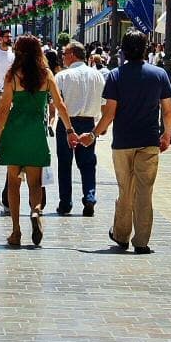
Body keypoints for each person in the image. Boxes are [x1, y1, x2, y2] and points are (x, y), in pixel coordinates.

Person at [79, 30, 171, 254]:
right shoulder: (159, 74)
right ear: (146, 49)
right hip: (149, 141)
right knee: (144, 192)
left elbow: (109, 113)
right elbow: (168, 111)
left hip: (122, 143)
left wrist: (93, 135)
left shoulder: (115, 76)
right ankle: (141, 241)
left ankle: (121, 235)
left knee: (125, 189)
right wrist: (167, 134)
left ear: (122, 50)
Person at [0, 35, 77, 246]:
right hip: (36, 132)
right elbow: (60, 105)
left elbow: (3, 109)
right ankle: (36, 211)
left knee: (13, 182)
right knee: (35, 182)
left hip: (14, 131)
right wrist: (69, 130)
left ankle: (16, 231)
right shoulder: (46, 74)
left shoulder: (13, 75)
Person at [53, 40, 104, 217]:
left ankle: (65, 203)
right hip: (89, 123)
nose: (63, 57)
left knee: (65, 164)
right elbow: (104, 102)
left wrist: (67, 128)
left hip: (67, 123)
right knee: (88, 163)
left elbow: (58, 104)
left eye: (65, 54)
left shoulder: (62, 76)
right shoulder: (97, 75)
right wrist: (100, 127)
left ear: (72, 55)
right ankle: (89, 197)